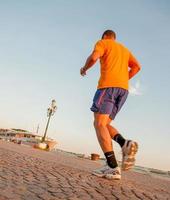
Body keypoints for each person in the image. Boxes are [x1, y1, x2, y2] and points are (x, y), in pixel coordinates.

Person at [80, 30, 141, 180]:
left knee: (98, 124)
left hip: (108, 87)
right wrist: (122, 79)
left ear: (104, 37)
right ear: (115, 38)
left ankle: (112, 167)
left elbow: (94, 57)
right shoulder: (124, 50)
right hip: (123, 90)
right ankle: (124, 143)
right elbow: (137, 67)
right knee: (105, 124)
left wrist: (84, 68)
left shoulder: (103, 43)